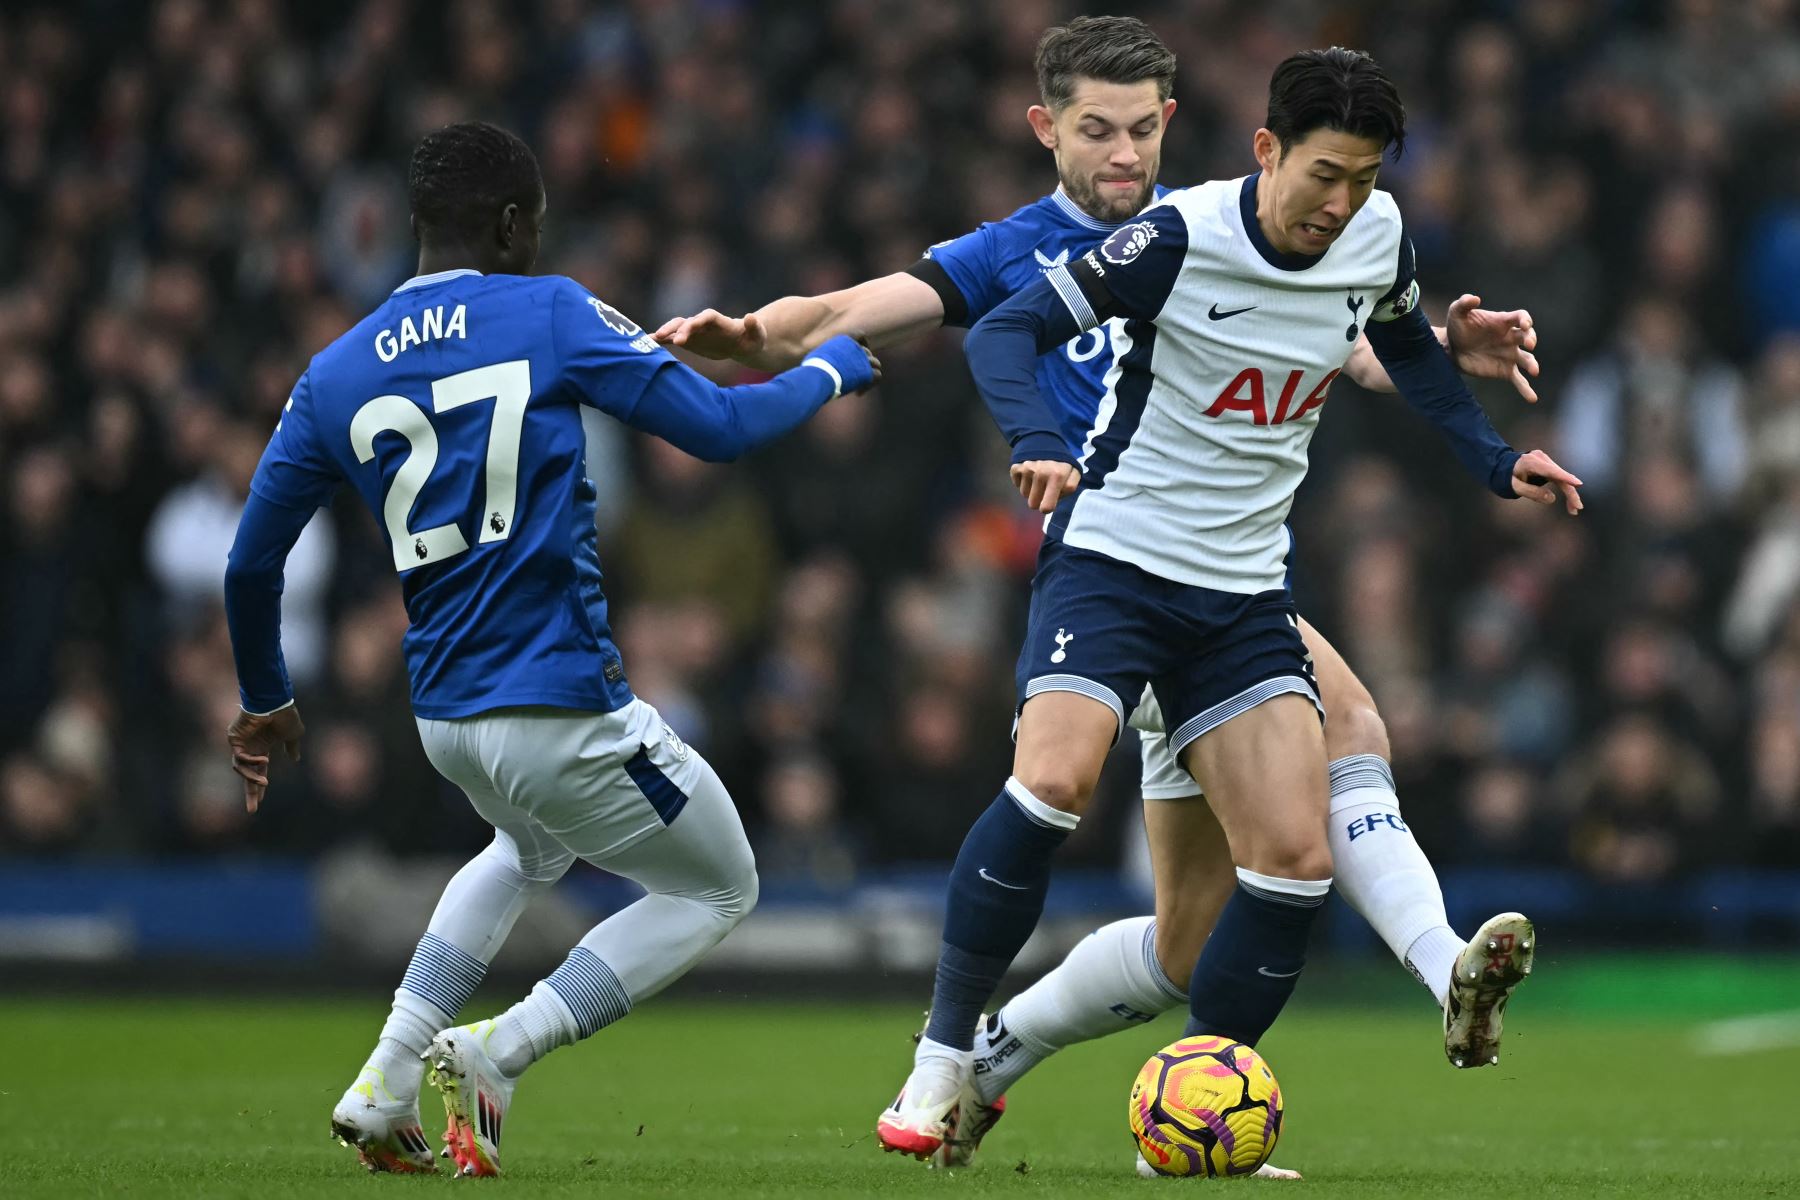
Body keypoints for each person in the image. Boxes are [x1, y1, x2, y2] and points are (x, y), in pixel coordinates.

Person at [653, 20, 1568, 1171]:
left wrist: (1446, 355)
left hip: (1232, 572)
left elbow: (1337, 333)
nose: (1126, 153)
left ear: (1179, 127)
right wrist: (763, 339)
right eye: (1099, 129)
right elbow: (855, 307)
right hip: (1110, 556)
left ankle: (1090, 1075)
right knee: (1311, 736)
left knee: (1204, 931)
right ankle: (1429, 966)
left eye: (1144, 128)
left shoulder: (1271, 217)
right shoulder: (1032, 249)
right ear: (1047, 130)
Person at [221, 121, 877, 1177]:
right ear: (517, 224)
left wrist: (268, 698)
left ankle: (387, 1076)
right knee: (721, 888)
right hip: (561, 703)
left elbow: (251, 568)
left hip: (444, 717)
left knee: (526, 850)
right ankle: (501, 1047)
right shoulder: (552, 310)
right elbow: (717, 429)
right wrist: (835, 370)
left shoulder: (332, 371)